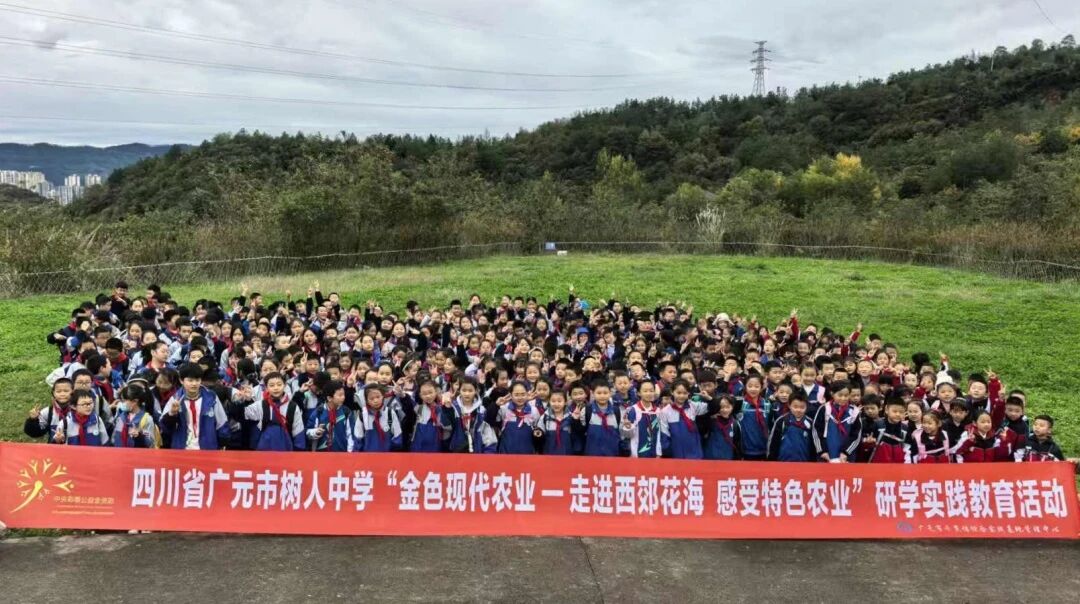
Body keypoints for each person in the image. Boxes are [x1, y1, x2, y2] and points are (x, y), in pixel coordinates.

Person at [158, 362, 231, 450]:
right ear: (181, 381)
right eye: (190, 380)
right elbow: (164, 428)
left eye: (197, 380)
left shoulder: (211, 397)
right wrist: (171, 414)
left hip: (208, 449)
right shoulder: (175, 399)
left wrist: (223, 443)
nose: (194, 384)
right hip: (182, 449)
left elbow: (222, 423)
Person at [241, 372, 305, 451]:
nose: (276, 388)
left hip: (286, 446)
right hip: (264, 445)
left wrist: (299, 449)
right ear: (266, 388)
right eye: (271, 385)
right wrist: (245, 401)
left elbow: (298, 429)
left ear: (285, 385)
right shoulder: (261, 404)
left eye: (279, 384)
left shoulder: (293, 407)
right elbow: (244, 414)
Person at [659, 379, 719, 459]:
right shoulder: (665, 411)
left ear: (688, 393)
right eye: (679, 393)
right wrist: (668, 452)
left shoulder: (693, 406)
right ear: (672, 392)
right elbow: (664, 434)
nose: (681, 396)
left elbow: (714, 408)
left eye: (685, 393)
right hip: (676, 453)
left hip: (694, 451)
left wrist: (708, 398)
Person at [440, 378, 497, 454]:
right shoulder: (453, 408)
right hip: (456, 451)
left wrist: (488, 452)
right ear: (459, 390)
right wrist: (447, 409)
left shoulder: (481, 411)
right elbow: (446, 428)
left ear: (476, 391)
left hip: (476, 451)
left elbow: (487, 433)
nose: (467, 394)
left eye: (470, 391)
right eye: (464, 390)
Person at [813, 381, 862, 463]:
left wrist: (846, 452)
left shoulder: (854, 412)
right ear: (832, 394)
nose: (843, 398)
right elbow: (816, 431)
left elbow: (856, 436)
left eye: (846, 395)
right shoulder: (824, 409)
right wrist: (822, 451)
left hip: (846, 457)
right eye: (840, 395)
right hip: (826, 455)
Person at [490, 381, 541, 454]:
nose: (520, 398)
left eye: (523, 394)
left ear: (527, 394)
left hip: (528, 455)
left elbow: (538, 431)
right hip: (506, 454)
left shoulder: (534, 411)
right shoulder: (504, 409)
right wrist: (496, 405)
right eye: (516, 395)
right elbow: (490, 420)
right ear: (511, 395)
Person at [574, 380, 622, 456]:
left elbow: (619, 432)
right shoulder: (587, 410)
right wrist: (576, 420)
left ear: (610, 393)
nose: (602, 396)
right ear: (593, 393)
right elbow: (581, 431)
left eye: (605, 393)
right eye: (599, 393)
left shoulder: (616, 411)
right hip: (592, 453)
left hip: (612, 454)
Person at [307, 380, 355, 452]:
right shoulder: (319, 412)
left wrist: (349, 454)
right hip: (321, 455)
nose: (343, 397)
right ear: (329, 398)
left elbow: (350, 436)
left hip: (342, 454)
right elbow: (308, 432)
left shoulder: (346, 412)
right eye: (340, 395)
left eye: (343, 394)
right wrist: (316, 432)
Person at [620, 380, 664, 458]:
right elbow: (628, 435)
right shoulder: (633, 410)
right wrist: (628, 427)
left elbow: (659, 433)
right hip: (637, 455)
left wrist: (658, 452)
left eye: (651, 391)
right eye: (645, 391)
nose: (649, 393)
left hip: (654, 454)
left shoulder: (657, 411)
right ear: (639, 393)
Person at [767, 392, 815, 462]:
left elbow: (813, 446)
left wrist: (813, 461)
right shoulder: (781, 421)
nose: (798, 410)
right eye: (795, 407)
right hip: (783, 462)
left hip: (804, 462)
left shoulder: (810, 423)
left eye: (802, 407)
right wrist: (771, 460)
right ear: (789, 405)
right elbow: (773, 442)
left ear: (806, 407)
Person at [736, 374, 774, 460]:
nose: (753, 389)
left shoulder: (767, 404)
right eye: (750, 386)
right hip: (745, 450)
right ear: (745, 387)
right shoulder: (739, 403)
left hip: (764, 449)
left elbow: (771, 426)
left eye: (756, 386)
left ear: (761, 387)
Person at [353, 385, 402, 452]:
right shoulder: (363, 415)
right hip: (368, 455)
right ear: (367, 400)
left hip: (387, 455)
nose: (375, 401)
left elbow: (397, 436)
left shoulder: (390, 413)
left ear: (383, 396)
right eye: (371, 399)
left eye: (378, 397)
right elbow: (358, 438)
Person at [24, 378, 74, 442]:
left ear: (73, 392)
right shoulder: (47, 412)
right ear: (53, 393)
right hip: (54, 447)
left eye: (66, 391)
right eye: (58, 391)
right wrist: (32, 420)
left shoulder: (78, 410)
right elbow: (35, 433)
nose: (62, 394)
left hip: (76, 447)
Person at [111, 383, 159, 448]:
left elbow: (150, 443)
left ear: (134, 401)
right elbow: (115, 436)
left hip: (136, 453)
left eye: (124, 401)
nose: (121, 403)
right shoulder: (121, 416)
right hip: (119, 451)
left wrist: (139, 436)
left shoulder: (146, 419)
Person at [867, 394, 909, 463]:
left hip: (897, 465)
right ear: (886, 410)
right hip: (878, 464)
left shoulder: (905, 429)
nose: (898, 414)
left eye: (901, 412)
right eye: (894, 411)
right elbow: (868, 446)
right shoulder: (878, 425)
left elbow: (907, 449)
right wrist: (869, 442)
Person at [533, 390, 577, 455]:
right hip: (549, 453)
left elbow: (575, 435)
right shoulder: (545, 417)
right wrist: (538, 433)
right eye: (553, 401)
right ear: (549, 401)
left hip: (567, 453)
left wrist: (576, 420)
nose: (556, 404)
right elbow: (540, 431)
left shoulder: (571, 417)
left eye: (559, 401)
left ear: (565, 402)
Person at [703, 395, 741, 460]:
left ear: (732, 407)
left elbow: (737, 443)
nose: (725, 410)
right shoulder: (711, 421)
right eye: (721, 407)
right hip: (710, 457)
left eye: (728, 407)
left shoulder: (735, 424)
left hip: (728, 458)